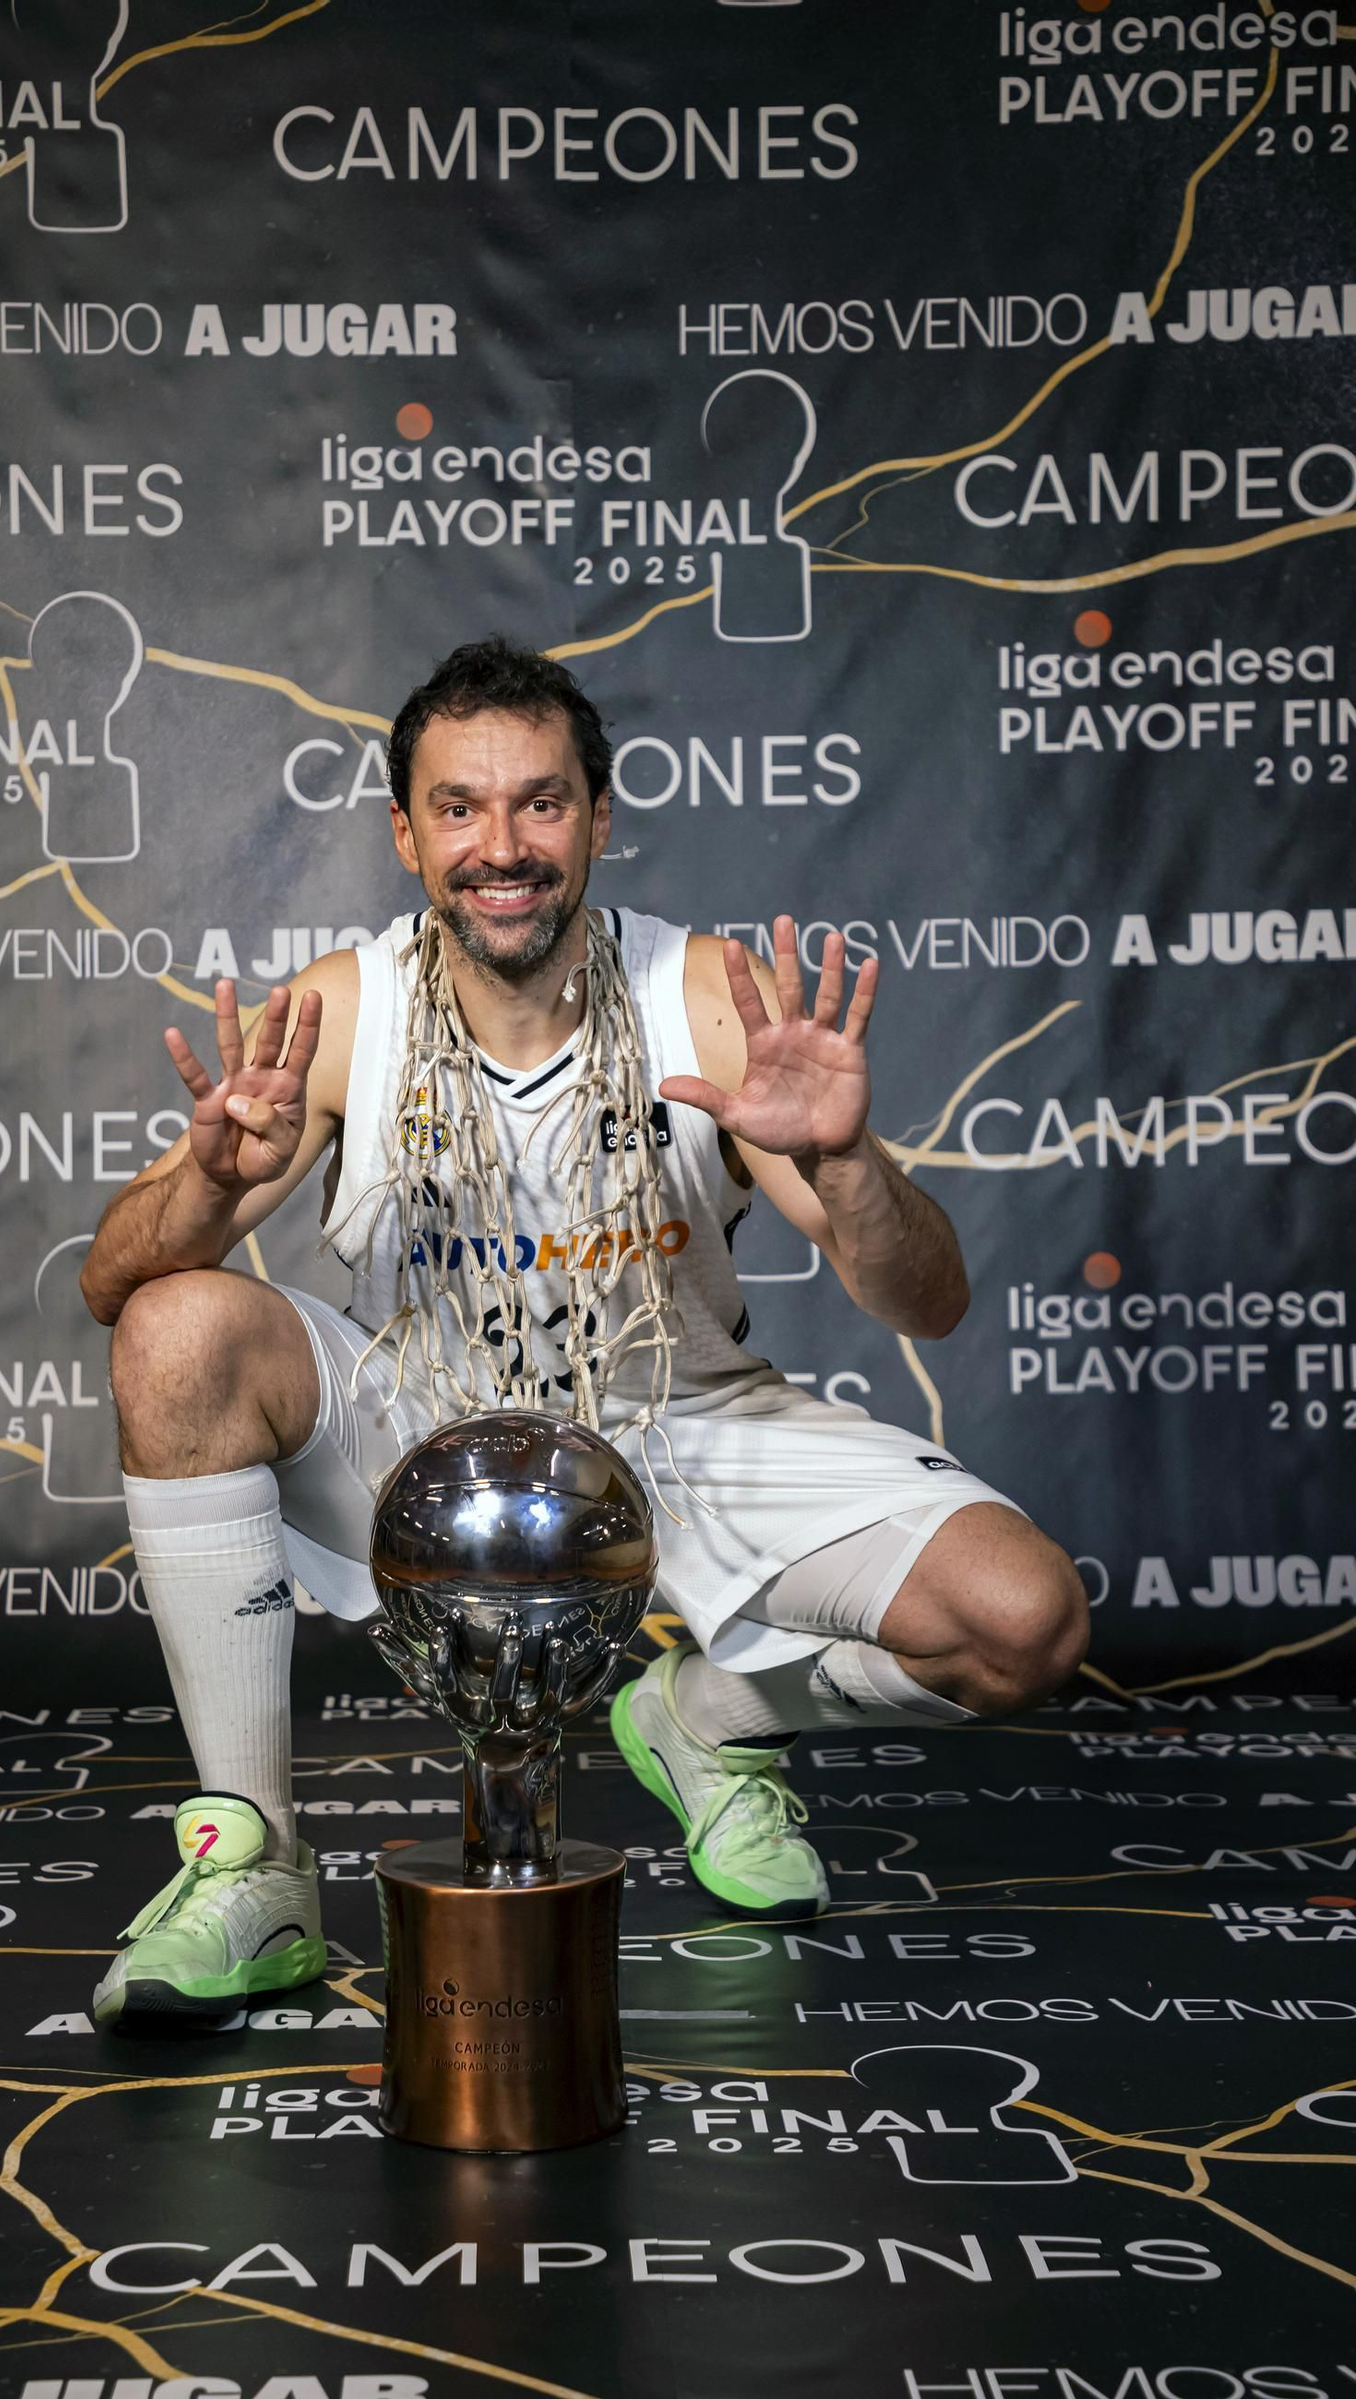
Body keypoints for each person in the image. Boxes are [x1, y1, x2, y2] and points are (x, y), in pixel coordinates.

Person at [80, 635, 1087, 2029]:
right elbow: (111, 1288)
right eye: (459, 807)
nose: (502, 846)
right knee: (177, 1328)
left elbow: (931, 1303)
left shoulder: (705, 998)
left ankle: (707, 1717)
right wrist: (206, 1188)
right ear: (407, 836)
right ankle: (253, 1867)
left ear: (599, 820)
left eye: (541, 802)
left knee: (1023, 1623)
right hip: (417, 1421)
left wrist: (848, 1162)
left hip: (677, 1421)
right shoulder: (343, 1011)